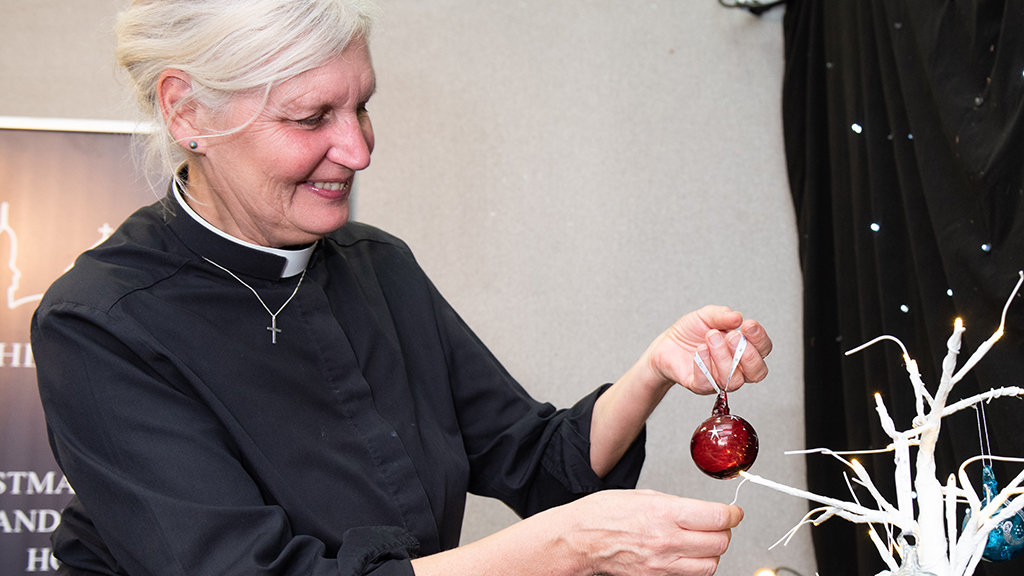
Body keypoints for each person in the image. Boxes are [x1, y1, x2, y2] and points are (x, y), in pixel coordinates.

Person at [31, 1, 773, 575]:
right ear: (186, 110)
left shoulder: (375, 264)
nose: (356, 149)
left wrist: (655, 371)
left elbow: (543, 463)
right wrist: (569, 548)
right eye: (311, 115)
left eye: (362, 105)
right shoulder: (100, 323)